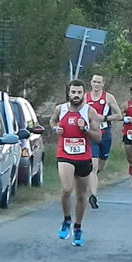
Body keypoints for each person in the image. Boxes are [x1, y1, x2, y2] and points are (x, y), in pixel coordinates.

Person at [49, 80, 101, 247]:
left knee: (80, 195)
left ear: (83, 94)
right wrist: (55, 128)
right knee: (66, 189)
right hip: (65, 154)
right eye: (73, 92)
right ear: (69, 93)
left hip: (83, 157)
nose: (76, 95)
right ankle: (66, 219)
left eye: (79, 92)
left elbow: (98, 137)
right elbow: (52, 121)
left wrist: (85, 129)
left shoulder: (89, 112)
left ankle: (77, 227)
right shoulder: (60, 109)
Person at [84, 74, 121, 209]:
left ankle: (92, 179)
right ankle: (93, 196)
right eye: (94, 82)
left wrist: (104, 118)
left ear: (103, 84)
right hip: (92, 135)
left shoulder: (108, 97)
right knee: (92, 167)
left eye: (99, 82)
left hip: (105, 135)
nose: (96, 84)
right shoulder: (85, 98)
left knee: (101, 166)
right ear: (91, 83)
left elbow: (119, 115)